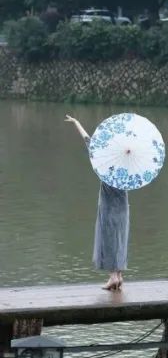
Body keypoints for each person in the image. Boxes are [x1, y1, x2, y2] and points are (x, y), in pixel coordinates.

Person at [65, 115, 129, 291]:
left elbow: (89, 142)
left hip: (108, 208)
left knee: (108, 240)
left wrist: (77, 123)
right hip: (123, 209)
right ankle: (119, 275)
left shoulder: (104, 164)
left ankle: (113, 277)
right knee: (120, 239)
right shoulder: (127, 167)